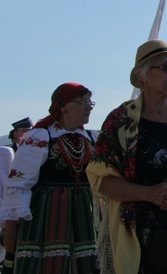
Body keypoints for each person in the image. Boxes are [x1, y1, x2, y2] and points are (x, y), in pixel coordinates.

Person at [86, 39, 167, 274]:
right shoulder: (120, 121)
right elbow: (101, 180)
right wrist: (149, 194)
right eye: (166, 67)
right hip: (131, 230)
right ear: (143, 75)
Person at [1, 82, 98, 273]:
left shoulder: (92, 138)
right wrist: (11, 228)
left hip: (85, 216)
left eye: (90, 103)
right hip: (48, 217)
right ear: (62, 107)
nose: (88, 107)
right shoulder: (39, 137)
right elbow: (18, 185)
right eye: (81, 102)